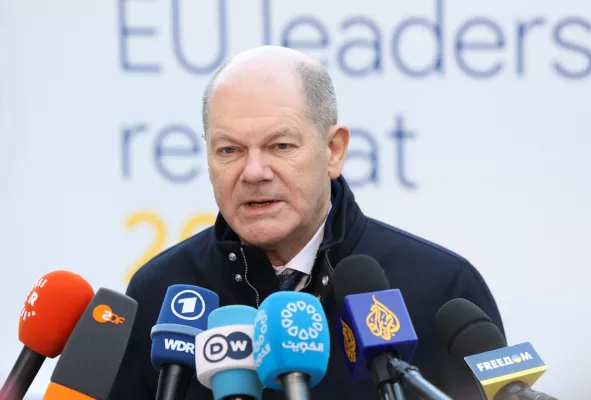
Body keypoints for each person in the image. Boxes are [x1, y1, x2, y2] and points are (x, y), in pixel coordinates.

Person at [108, 45, 504, 400]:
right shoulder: (160, 295)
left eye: (280, 145)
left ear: (333, 151)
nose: (254, 172)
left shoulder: (442, 289)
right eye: (229, 150)